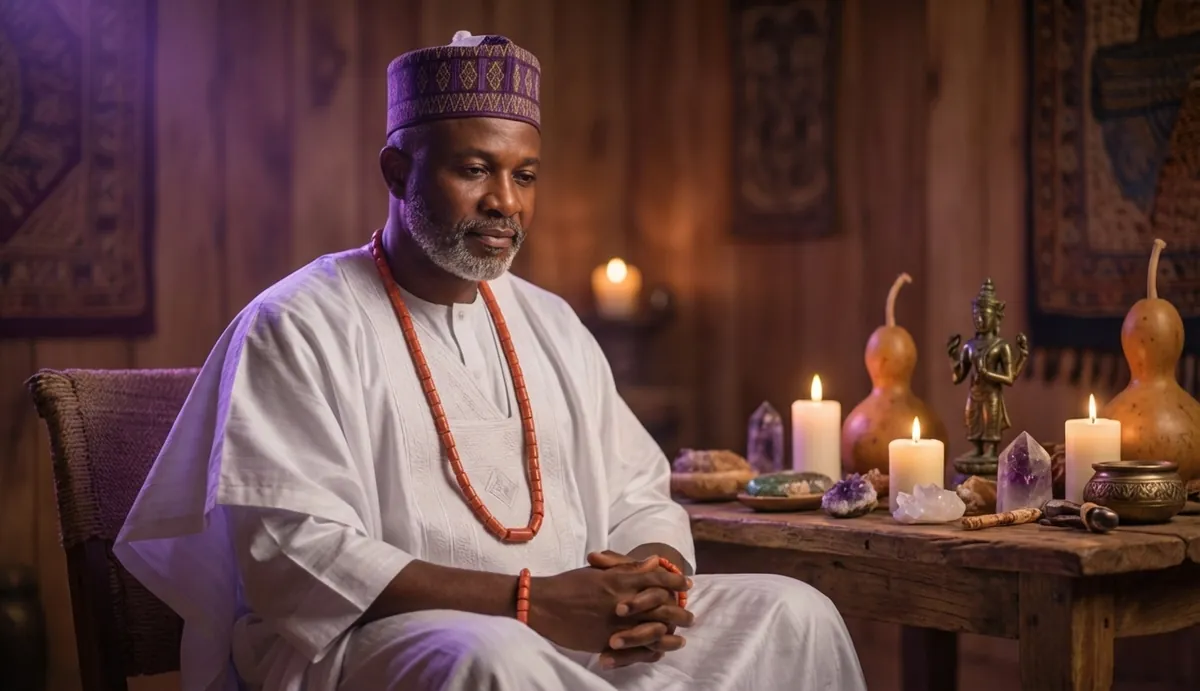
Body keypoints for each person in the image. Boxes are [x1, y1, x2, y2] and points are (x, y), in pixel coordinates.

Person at [113, 31, 867, 691]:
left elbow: (639, 490)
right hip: (370, 652)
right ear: (398, 171)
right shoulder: (298, 324)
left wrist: (652, 581)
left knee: (793, 614)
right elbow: (296, 554)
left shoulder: (550, 322)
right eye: (474, 169)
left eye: (526, 175)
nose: (506, 201)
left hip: (575, 631)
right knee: (495, 660)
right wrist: (532, 602)